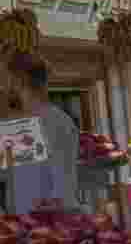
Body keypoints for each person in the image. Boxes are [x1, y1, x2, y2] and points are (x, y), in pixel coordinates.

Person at [0, 52, 79, 215]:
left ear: (18, 80)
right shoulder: (59, 118)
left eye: (4, 78)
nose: (3, 86)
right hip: (55, 219)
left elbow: (24, 181)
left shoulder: (25, 123)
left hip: (40, 223)